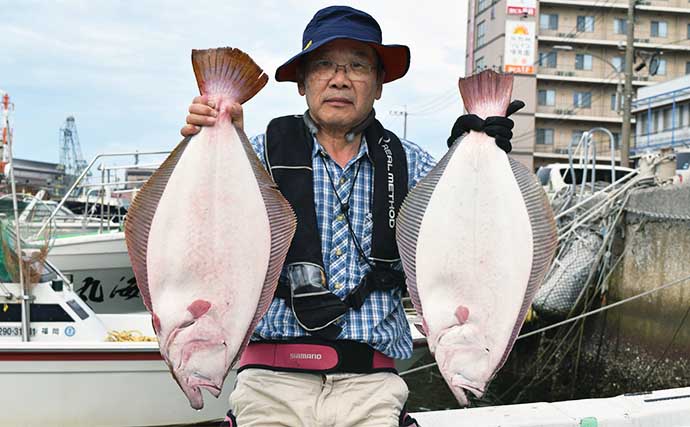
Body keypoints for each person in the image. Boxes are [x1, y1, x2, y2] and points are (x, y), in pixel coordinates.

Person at [182, 6, 519, 427]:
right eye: (323, 64)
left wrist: (474, 152)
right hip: (269, 382)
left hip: (371, 385)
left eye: (358, 65)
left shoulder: (412, 164)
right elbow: (202, 231)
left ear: (379, 84)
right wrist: (216, 137)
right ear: (303, 82)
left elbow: (472, 237)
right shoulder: (258, 156)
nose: (339, 78)